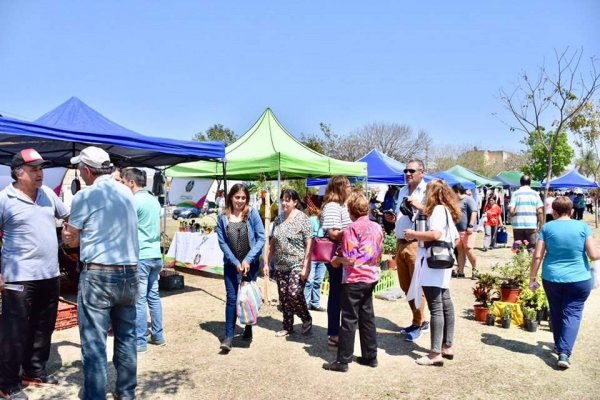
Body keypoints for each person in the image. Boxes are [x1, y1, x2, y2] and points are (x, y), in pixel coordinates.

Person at [62, 146, 139, 400]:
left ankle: (95, 396)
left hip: (98, 274)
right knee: (126, 338)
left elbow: (71, 240)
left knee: (95, 343)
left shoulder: (86, 196)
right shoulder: (126, 192)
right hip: (129, 272)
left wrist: (68, 236)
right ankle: (126, 393)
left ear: (86, 170)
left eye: (80, 170)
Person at [0, 149, 69, 400]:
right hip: (18, 277)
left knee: (43, 327)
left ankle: (34, 371)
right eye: (34, 169)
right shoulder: (4, 199)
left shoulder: (49, 194)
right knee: (14, 330)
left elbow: (68, 217)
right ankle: (7, 383)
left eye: (41, 168)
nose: (41, 173)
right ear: (19, 173)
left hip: (49, 274)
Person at [529, 196, 600, 369]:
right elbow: (593, 255)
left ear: (553, 212)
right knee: (573, 313)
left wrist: (532, 278)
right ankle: (564, 352)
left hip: (552, 278)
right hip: (579, 278)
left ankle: (560, 346)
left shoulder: (547, 227)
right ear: (572, 211)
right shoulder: (583, 226)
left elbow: (537, 255)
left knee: (556, 311)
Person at [322, 193, 383, 372]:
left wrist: (336, 260)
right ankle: (370, 356)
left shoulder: (351, 229)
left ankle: (343, 361)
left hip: (354, 278)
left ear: (351, 211)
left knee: (348, 318)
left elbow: (349, 259)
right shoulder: (377, 227)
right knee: (367, 317)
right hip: (371, 276)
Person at [403, 179, 460, 366]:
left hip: (432, 262)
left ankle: (435, 353)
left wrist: (413, 234)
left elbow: (435, 234)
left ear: (432, 193)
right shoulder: (447, 211)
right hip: (444, 262)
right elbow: (457, 239)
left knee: (436, 307)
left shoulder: (437, 210)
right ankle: (447, 345)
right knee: (445, 302)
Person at [216, 184, 265, 352]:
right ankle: (228, 336)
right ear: (231, 197)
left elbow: (261, 238)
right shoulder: (222, 217)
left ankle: (248, 328)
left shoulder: (252, 214)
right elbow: (222, 243)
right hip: (231, 265)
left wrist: (248, 260)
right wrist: (236, 263)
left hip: (250, 265)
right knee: (232, 298)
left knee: (247, 298)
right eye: (237, 197)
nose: (240, 201)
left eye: (243, 198)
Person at [122, 168, 166, 353]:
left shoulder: (133, 201)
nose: (123, 186)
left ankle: (140, 341)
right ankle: (158, 335)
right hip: (155, 254)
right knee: (153, 297)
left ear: (132, 182)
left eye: (124, 182)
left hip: (141, 256)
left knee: (139, 300)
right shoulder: (153, 200)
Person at [390, 160, 429, 342]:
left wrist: (418, 206)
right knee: (406, 287)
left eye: (411, 170)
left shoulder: (428, 191)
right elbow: (401, 214)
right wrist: (392, 218)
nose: (407, 173)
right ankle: (420, 320)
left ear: (422, 172)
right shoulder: (402, 191)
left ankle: (418, 324)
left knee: (417, 287)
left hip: (416, 244)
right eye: (405, 170)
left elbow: (435, 212)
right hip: (400, 242)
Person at [268, 188, 313, 337]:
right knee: (284, 297)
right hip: (280, 264)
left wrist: (306, 266)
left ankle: (306, 318)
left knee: (293, 293)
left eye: (287, 199)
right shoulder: (278, 219)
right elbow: (272, 243)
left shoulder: (303, 219)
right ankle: (287, 327)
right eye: (282, 199)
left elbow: (309, 243)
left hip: (297, 263)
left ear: (295, 202)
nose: (284, 202)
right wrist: (267, 263)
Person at [320, 176, 353, 348]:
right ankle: (333, 332)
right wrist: (352, 231)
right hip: (335, 255)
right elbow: (332, 233)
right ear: (340, 187)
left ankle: (338, 331)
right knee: (336, 294)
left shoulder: (342, 205)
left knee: (340, 293)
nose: (351, 188)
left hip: (343, 253)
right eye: (348, 185)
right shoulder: (332, 206)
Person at [509, 175, 543, 251]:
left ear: (520, 183)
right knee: (531, 248)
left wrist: (513, 215)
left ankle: (519, 262)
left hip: (518, 225)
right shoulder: (535, 194)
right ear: (530, 183)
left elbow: (511, 211)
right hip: (531, 224)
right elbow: (540, 211)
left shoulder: (515, 193)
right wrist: (541, 224)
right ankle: (530, 263)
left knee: (518, 248)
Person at [452, 183, 478, 279]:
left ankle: (475, 269)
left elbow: (474, 212)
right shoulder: (455, 202)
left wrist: (470, 225)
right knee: (460, 250)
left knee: (468, 248)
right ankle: (461, 271)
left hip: (468, 230)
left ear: (457, 192)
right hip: (457, 230)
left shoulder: (468, 199)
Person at [304, 205, 327, 312]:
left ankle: (315, 303)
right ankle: (306, 303)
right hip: (312, 254)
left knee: (318, 281)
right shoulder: (312, 220)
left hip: (323, 255)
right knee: (309, 280)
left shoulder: (330, 222)